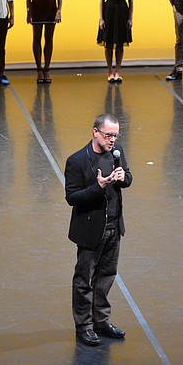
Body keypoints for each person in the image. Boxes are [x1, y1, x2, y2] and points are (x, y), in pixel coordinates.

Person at [65, 113, 133, 347]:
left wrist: (124, 178)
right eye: (108, 135)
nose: (112, 140)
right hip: (91, 231)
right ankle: (84, 326)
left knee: (106, 277)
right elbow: (72, 197)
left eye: (115, 135)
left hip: (114, 227)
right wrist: (98, 187)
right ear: (95, 132)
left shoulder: (117, 152)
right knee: (85, 281)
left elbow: (128, 178)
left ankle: (100, 321)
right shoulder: (77, 161)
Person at [26, 0, 62, 84]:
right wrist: (28, 12)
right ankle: (39, 69)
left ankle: (47, 68)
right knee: (36, 38)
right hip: (37, 10)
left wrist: (59, 11)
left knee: (49, 38)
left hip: (51, 10)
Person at [97, 0, 133, 83]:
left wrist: (130, 18)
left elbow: (131, 0)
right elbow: (101, 0)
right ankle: (109, 71)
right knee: (108, 43)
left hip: (122, 11)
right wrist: (101, 18)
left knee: (120, 44)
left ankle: (118, 70)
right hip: (109, 12)